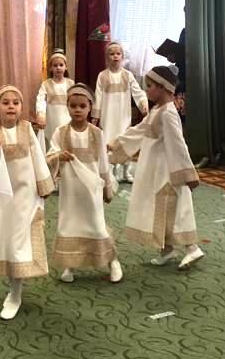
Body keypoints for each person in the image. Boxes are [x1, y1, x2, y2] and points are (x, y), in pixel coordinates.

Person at [108, 64, 204, 270]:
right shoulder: (156, 110)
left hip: (168, 172)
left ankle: (192, 247)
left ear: (163, 87)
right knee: (157, 208)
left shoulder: (168, 113)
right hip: (153, 169)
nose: (147, 90)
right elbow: (139, 131)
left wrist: (187, 174)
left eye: (150, 86)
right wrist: (116, 144)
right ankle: (167, 249)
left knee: (174, 209)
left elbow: (178, 145)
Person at [0, 86, 56, 320]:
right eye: (5, 103)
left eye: (15, 102)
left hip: (26, 195)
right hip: (3, 198)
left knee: (18, 242)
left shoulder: (26, 128)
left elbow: (38, 157)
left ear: (21, 107)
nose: (11, 106)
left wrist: (44, 186)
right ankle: (13, 287)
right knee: (7, 239)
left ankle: (15, 292)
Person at [47, 83, 123, 284]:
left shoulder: (97, 133)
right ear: (67, 106)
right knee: (70, 225)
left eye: (82, 106)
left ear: (90, 107)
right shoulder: (60, 132)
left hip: (92, 190)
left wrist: (107, 188)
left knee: (96, 225)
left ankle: (113, 261)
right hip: (70, 190)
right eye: (73, 106)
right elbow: (49, 155)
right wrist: (58, 156)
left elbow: (103, 164)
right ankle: (69, 265)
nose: (77, 110)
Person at [93, 41, 148, 182]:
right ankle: (110, 172)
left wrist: (143, 104)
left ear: (122, 56)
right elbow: (98, 96)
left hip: (123, 116)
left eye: (118, 54)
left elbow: (137, 91)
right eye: (112, 54)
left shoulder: (128, 75)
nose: (115, 56)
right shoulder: (102, 76)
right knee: (109, 141)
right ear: (107, 57)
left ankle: (125, 172)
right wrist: (95, 116)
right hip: (108, 116)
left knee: (124, 142)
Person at [35, 48, 72, 146]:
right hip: (52, 118)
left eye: (61, 65)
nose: (58, 68)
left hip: (67, 117)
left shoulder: (70, 83)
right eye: (55, 65)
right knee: (53, 141)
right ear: (51, 68)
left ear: (66, 67)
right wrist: (41, 113)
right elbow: (40, 100)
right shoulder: (46, 84)